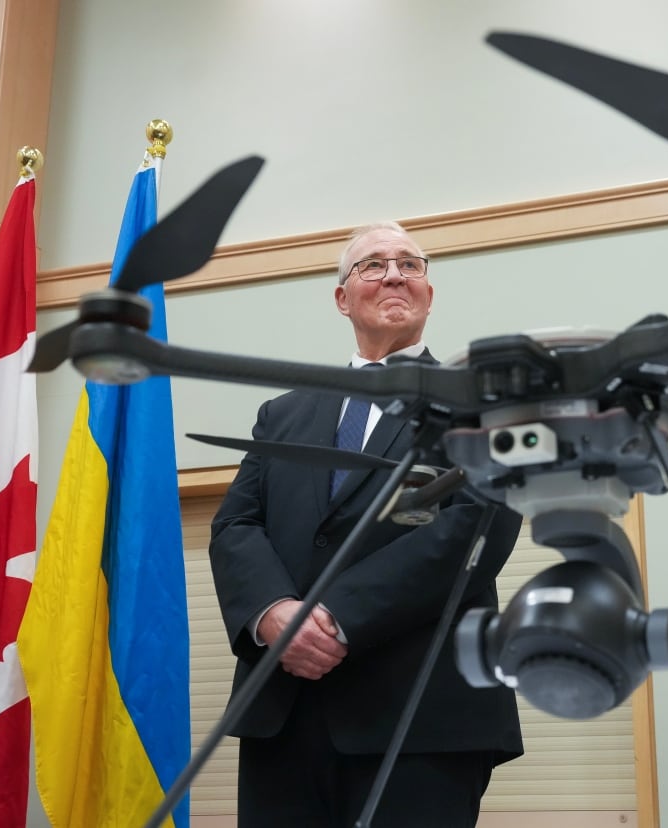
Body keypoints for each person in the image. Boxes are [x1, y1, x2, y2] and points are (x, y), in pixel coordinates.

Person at [209, 221, 524, 827]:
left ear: (428, 293)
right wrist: (272, 613)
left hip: (422, 719)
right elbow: (235, 525)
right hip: (284, 716)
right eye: (374, 265)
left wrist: (336, 618)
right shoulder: (282, 415)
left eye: (410, 264)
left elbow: (478, 525)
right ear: (342, 297)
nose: (395, 275)